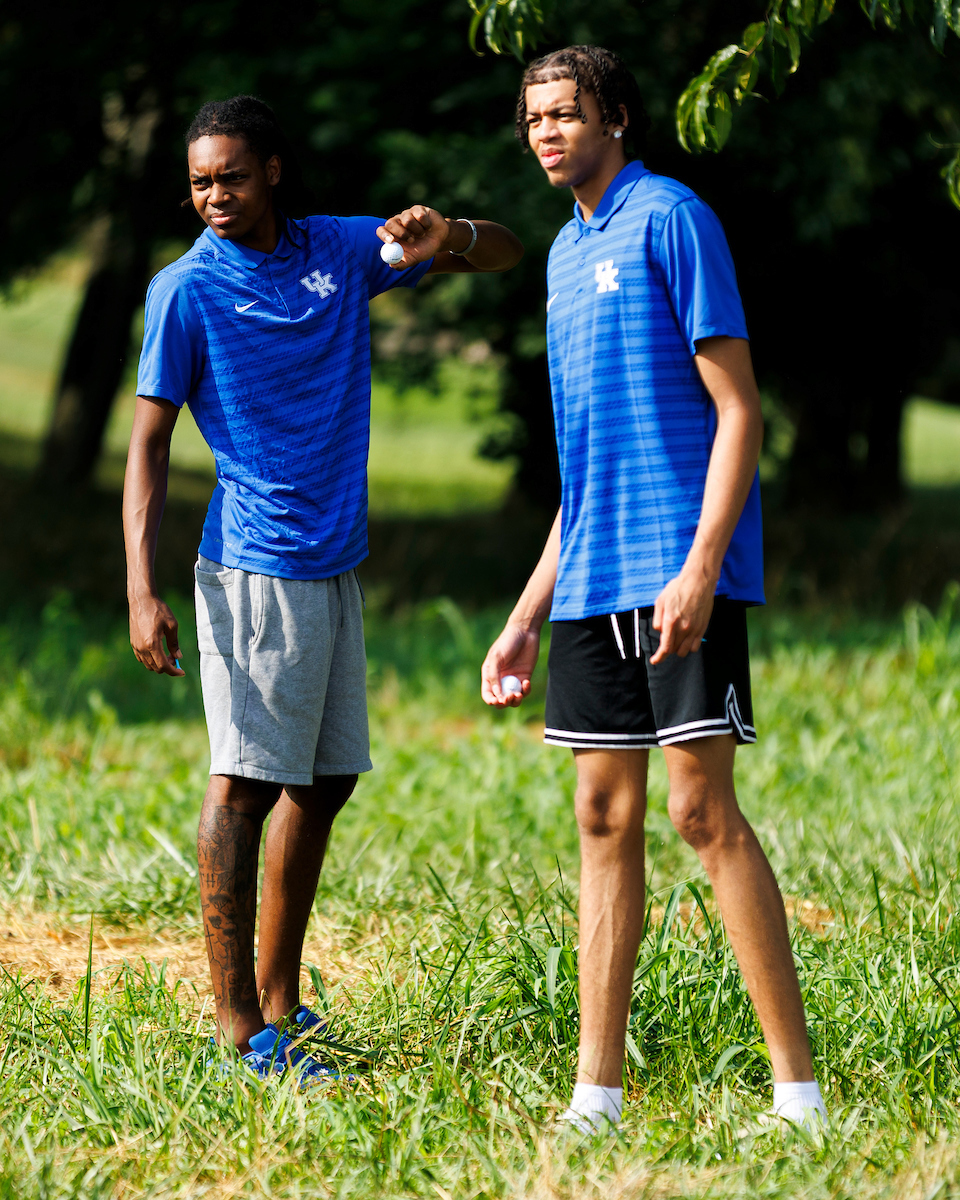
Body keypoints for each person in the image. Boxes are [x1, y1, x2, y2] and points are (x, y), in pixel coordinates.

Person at [124, 95, 523, 1084]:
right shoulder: (186, 291)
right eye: (200, 181)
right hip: (254, 564)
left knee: (326, 780)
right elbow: (146, 446)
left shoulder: (341, 250)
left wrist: (449, 234)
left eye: (231, 176)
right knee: (245, 783)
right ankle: (237, 1033)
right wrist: (139, 586)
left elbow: (506, 252)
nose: (214, 195)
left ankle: (281, 1000)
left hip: (333, 561)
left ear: (273, 171)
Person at [480, 46, 826, 1132]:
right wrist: (526, 615)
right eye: (534, 117)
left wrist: (702, 568)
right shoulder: (560, 256)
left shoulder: (673, 218)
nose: (546, 132)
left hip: (678, 571)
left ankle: (800, 1097)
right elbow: (584, 473)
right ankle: (597, 1097)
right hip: (591, 581)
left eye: (566, 113)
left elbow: (740, 411)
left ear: (616, 118)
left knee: (700, 812)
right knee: (601, 814)